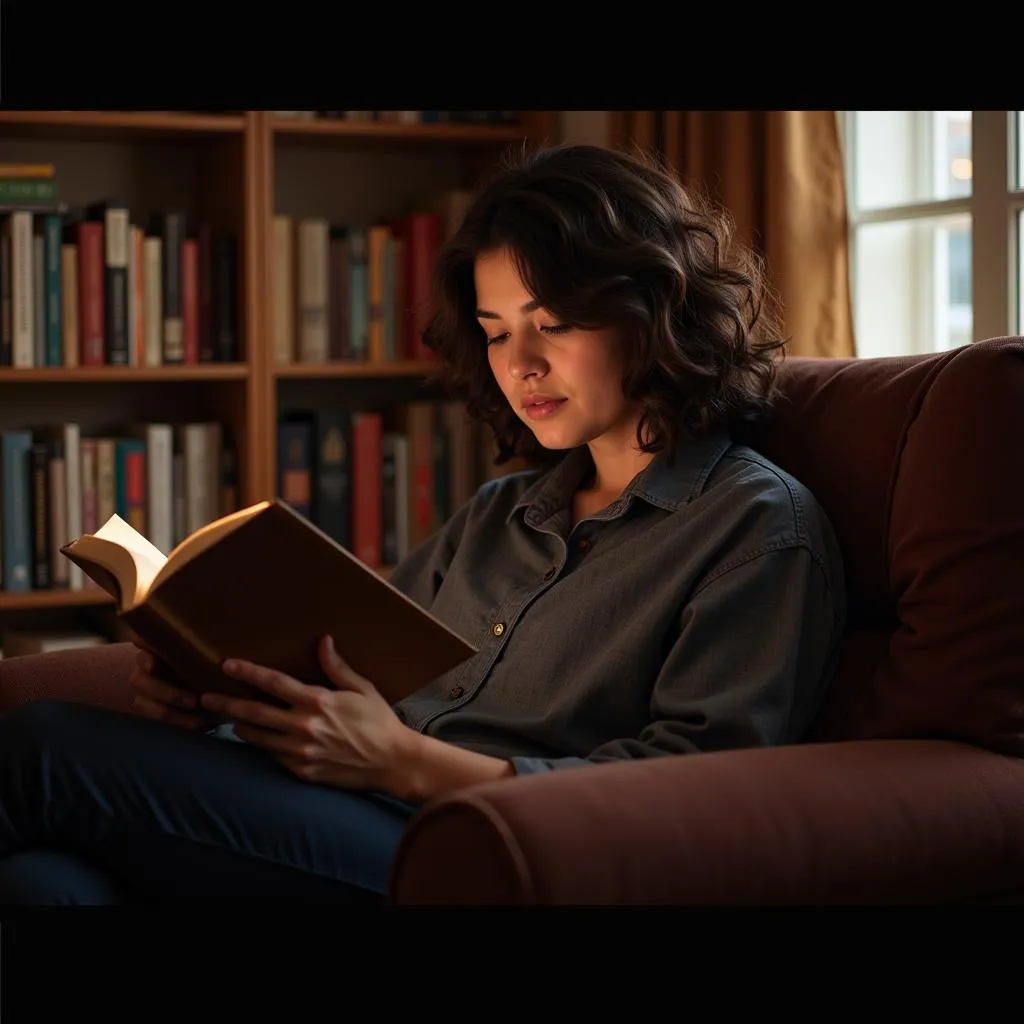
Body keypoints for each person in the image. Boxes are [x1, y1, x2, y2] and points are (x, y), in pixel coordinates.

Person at [0, 143, 846, 904]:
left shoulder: (757, 528)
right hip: (341, 808)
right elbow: (355, 678)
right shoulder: (498, 513)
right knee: (45, 886)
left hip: (488, 856)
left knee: (41, 747)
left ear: (654, 309)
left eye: (552, 324)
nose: (520, 364)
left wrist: (404, 763)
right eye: (494, 332)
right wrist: (215, 700)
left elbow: (693, 797)